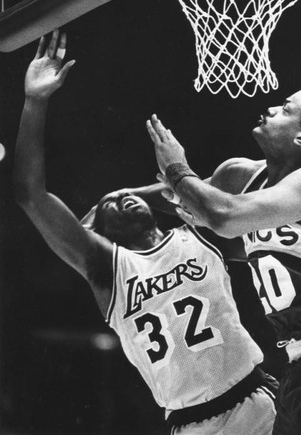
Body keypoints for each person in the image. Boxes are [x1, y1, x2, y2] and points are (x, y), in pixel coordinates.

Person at [13, 30, 277, 435]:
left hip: (255, 399)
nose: (122, 199)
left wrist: (135, 190)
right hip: (191, 423)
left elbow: (218, 191)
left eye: (127, 196)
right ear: (101, 233)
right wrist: (35, 101)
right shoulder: (107, 267)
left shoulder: (200, 233)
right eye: (111, 204)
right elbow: (31, 195)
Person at [144, 89, 301, 434]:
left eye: (285, 109)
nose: (269, 109)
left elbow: (222, 215)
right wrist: (119, 200)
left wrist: (177, 168)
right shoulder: (253, 182)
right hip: (298, 366)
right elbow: (193, 207)